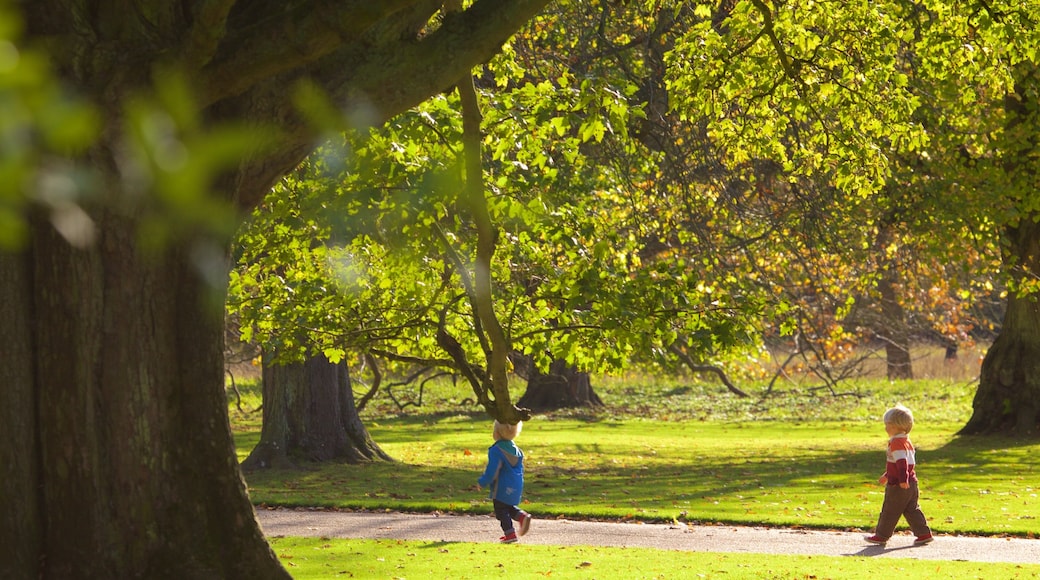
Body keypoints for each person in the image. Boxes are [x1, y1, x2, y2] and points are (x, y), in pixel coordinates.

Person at [865, 404, 934, 546]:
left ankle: (881, 535)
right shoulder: (907, 441)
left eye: (887, 425)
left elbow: (901, 463)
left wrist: (902, 479)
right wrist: (886, 475)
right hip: (912, 482)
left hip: (899, 484)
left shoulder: (896, 443)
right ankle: (924, 533)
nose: (885, 428)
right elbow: (903, 464)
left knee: (890, 510)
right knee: (911, 509)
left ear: (895, 426)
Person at [477, 420, 532, 543]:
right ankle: (522, 516)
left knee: (501, 511)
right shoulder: (517, 450)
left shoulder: (496, 450)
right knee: (508, 507)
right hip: (515, 484)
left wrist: (483, 481)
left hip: (501, 486)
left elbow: (492, 470)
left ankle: (510, 534)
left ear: (496, 432)